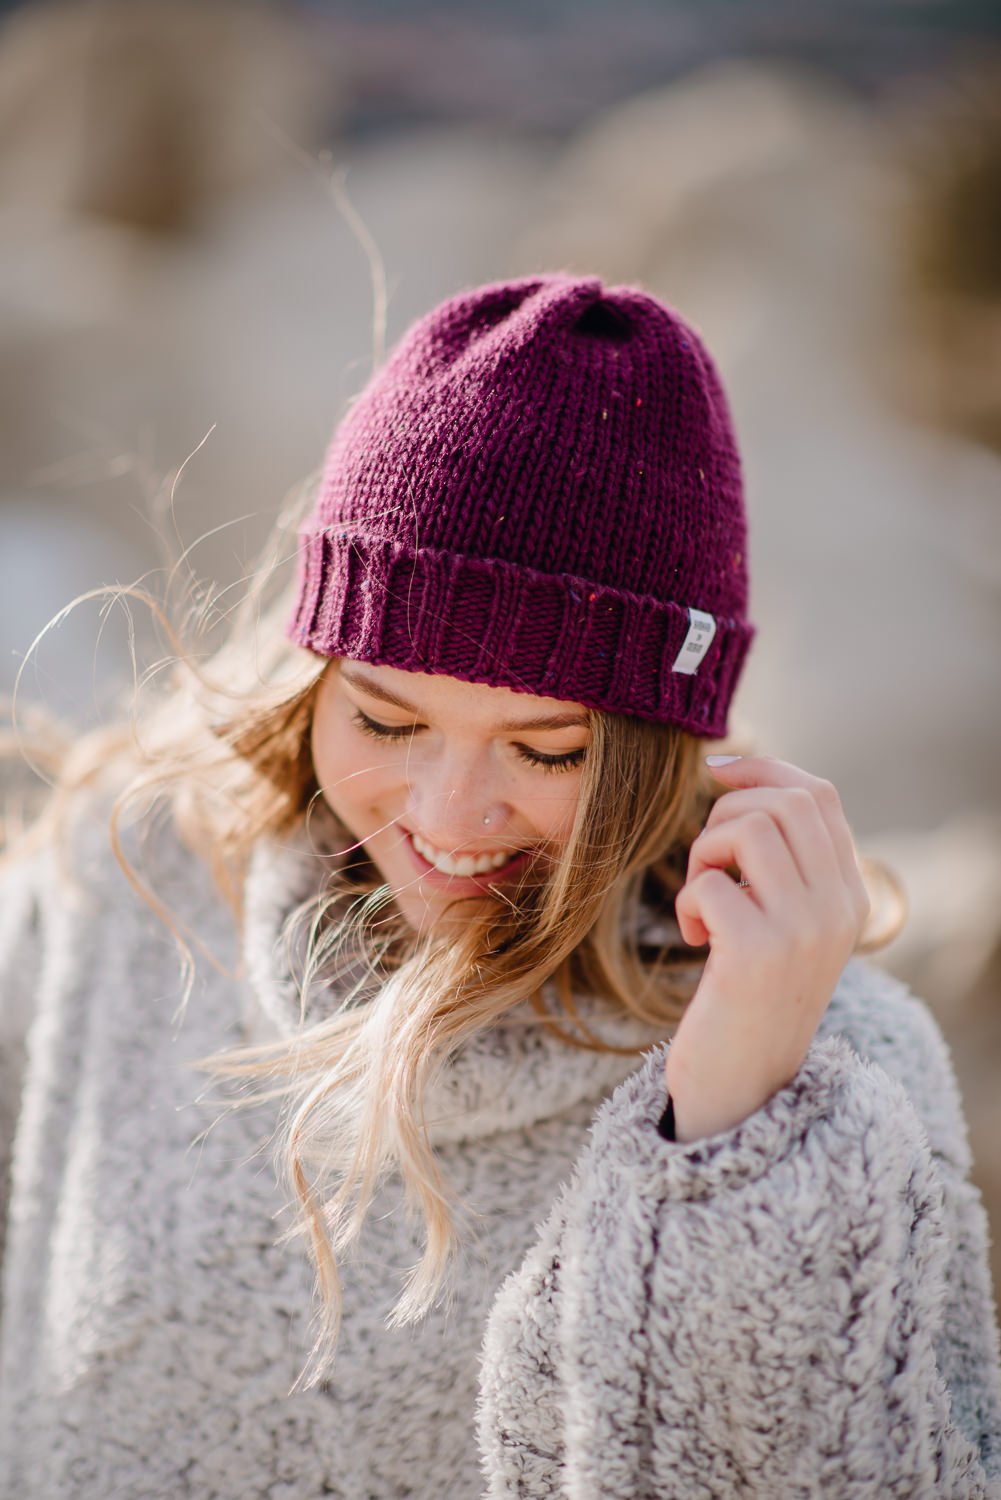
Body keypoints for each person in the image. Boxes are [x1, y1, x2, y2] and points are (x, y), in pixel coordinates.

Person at [1, 273, 999, 1499]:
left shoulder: (834, 1081)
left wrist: (734, 1136)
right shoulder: (132, 881)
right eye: (383, 716)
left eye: (545, 749)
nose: (443, 817)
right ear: (313, 677)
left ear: (661, 748)